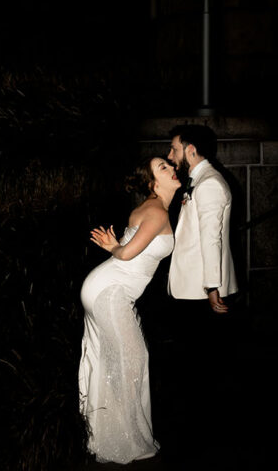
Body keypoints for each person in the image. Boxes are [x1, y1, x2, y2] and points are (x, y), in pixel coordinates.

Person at [78, 156, 180, 465]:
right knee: (134, 359)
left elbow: (130, 249)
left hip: (105, 289)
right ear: (153, 183)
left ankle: (108, 433)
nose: (172, 168)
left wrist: (117, 247)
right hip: (110, 292)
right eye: (164, 168)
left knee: (120, 360)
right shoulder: (156, 212)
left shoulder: (151, 208)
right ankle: (125, 440)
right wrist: (114, 248)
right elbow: (127, 253)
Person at [167, 125, 238, 313]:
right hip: (192, 288)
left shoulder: (210, 184)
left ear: (191, 150)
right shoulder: (198, 180)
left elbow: (211, 238)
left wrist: (212, 288)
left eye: (174, 149)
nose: (170, 156)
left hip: (201, 292)